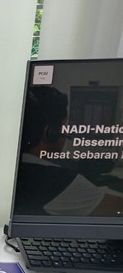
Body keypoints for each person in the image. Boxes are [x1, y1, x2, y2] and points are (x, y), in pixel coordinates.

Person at [14, 86, 123, 216]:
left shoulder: (16, 168)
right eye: (64, 126)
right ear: (51, 133)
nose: (66, 134)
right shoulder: (56, 181)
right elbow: (118, 209)